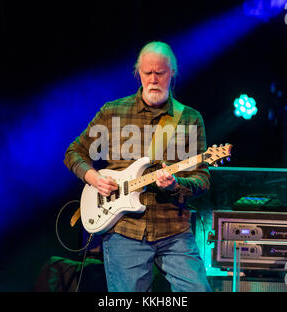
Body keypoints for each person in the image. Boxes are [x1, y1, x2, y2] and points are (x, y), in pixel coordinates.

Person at [64, 41, 211, 292]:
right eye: (147, 73)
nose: (153, 79)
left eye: (160, 73)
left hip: (173, 229)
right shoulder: (113, 112)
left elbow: (202, 180)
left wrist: (176, 185)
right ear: (137, 73)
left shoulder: (189, 118)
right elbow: (73, 152)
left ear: (172, 72)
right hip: (124, 232)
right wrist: (92, 177)